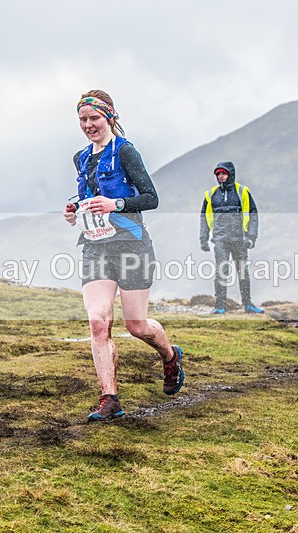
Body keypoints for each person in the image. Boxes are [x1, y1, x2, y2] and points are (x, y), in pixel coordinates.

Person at [62, 89, 184, 422]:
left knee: (136, 325)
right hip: (95, 246)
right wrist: (75, 210)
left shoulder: (126, 152)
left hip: (131, 245)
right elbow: (90, 194)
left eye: (94, 118)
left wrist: (116, 204)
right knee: (98, 321)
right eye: (83, 120)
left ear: (110, 117)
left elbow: (150, 197)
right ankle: (109, 399)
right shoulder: (81, 158)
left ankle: (171, 356)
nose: (89, 125)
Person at [199, 161, 264, 314]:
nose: (221, 176)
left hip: (239, 239)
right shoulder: (211, 195)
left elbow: (252, 215)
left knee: (243, 271)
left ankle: (248, 305)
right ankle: (220, 306)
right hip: (220, 240)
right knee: (221, 271)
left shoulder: (243, 192)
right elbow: (204, 217)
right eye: (218, 174)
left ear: (230, 175)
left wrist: (251, 237)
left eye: (223, 173)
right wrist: (203, 238)